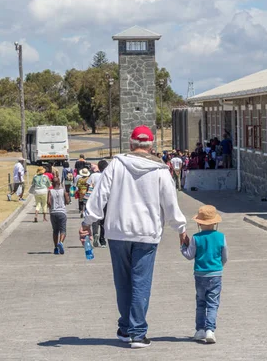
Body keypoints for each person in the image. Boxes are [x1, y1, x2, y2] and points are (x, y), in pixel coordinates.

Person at [79, 125, 188, 349]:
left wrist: (87, 222)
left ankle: (125, 328)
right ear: (151, 145)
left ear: (130, 144)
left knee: (122, 281)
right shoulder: (159, 170)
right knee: (141, 282)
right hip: (147, 233)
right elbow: (170, 203)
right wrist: (181, 229)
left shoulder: (116, 165)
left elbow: (100, 195)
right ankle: (137, 333)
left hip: (118, 231)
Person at [181, 205, 228, 344]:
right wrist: (219, 266)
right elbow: (225, 256)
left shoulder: (195, 238)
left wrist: (183, 246)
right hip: (216, 274)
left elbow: (189, 255)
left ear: (199, 223)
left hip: (200, 275)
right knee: (213, 303)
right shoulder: (221, 237)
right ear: (215, 222)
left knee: (201, 303)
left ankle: (200, 329)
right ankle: (210, 330)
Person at [47, 177, 69, 255]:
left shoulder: (50, 191)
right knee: (63, 230)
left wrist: (51, 207)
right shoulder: (63, 191)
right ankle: (61, 243)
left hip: (53, 213)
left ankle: (56, 248)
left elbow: (48, 203)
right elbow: (67, 201)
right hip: (62, 212)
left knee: (55, 231)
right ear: (59, 183)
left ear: (52, 184)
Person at [95, 160, 110, 248]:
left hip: (96, 201)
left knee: (95, 221)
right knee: (104, 222)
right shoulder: (109, 176)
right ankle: (102, 239)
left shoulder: (94, 176)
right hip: (106, 201)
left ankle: (95, 234)